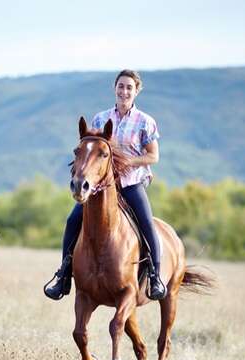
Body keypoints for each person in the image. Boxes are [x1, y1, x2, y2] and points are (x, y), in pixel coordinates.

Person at [44, 69, 167, 301]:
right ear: (115, 88)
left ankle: (154, 276)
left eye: (129, 87)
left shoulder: (145, 122)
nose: (124, 91)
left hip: (130, 184)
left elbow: (153, 156)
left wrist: (131, 161)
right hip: (100, 187)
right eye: (121, 86)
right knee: (72, 220)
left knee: (146, 222)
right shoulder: (100, 119)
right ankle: (63, 275)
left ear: (136, 91)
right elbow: (91, 152)